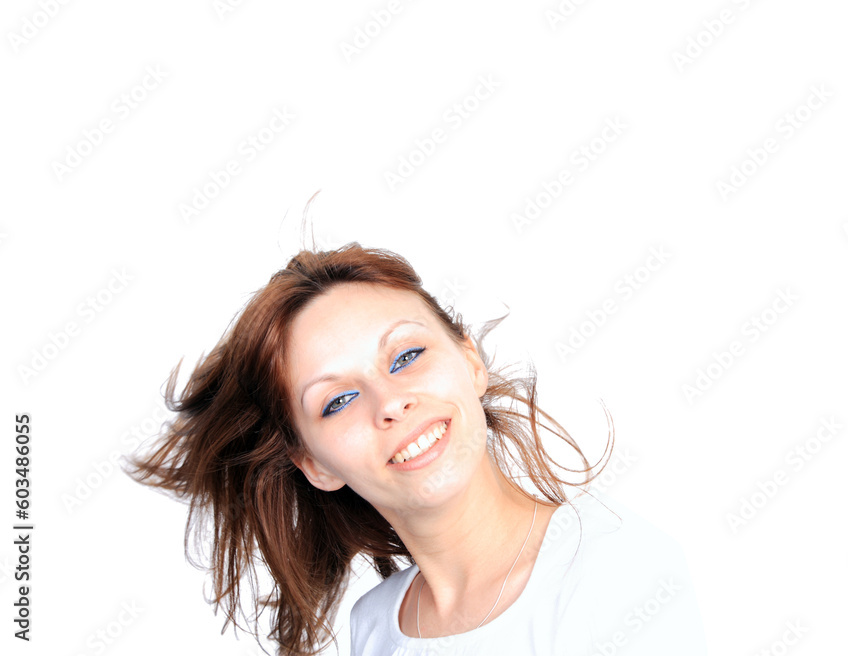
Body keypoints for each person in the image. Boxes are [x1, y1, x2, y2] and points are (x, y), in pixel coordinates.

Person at [126, 242, 707, 656]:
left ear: (471, 361)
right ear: (314, 465)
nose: (389, 402)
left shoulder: (614, 566)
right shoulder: (376, 627)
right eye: (337, 400)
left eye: (406, 356)